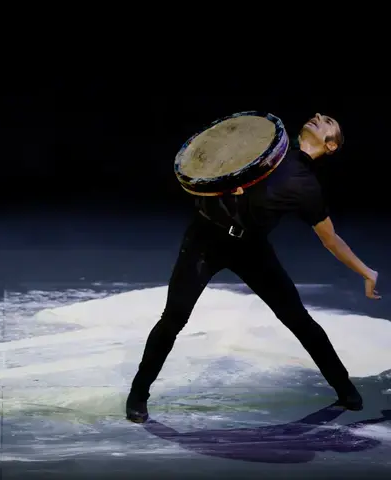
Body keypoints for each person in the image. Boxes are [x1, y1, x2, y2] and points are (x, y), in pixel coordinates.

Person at [126, 113, 381, 423]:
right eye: (318, 115)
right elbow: (208, 162)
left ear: (332, 145)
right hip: (205, 240)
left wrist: (366, 272)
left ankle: (344, 388)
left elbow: (331, 240)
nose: (317, 116)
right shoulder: (259, 146)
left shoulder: (307, 188)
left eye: (327, 121)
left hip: (251, 249)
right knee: (174, 318)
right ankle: (139, 393)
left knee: (298, 319)